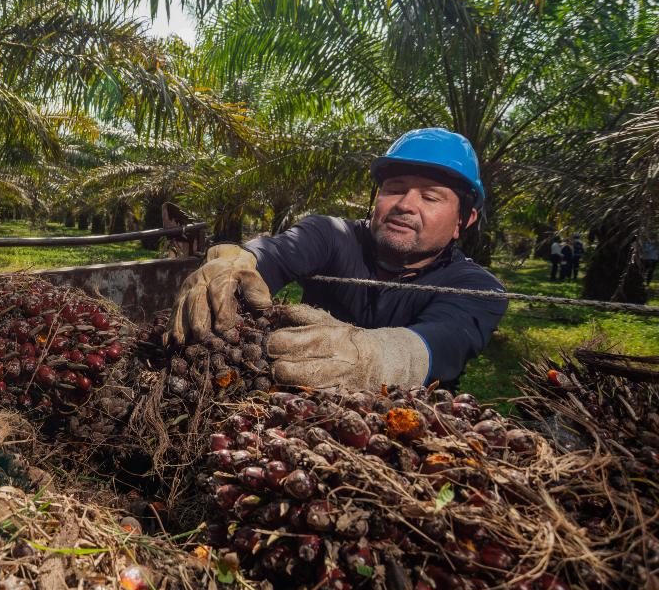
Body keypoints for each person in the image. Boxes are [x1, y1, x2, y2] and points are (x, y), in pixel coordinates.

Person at [167, 127, 507, 392]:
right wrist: (234, 261)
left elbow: (444, 340)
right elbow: (274, 254)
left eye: (430, 197)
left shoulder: (477, 288)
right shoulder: (332, 236)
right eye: (394, 189)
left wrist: (375, 358)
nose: (405, 204)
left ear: (465, 220)